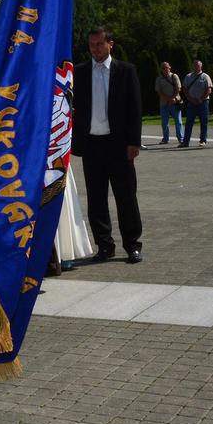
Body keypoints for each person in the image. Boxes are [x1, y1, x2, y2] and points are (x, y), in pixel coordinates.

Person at [72, 27, 144, 264]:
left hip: (119, 145)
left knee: (126, 197)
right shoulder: (80, 72)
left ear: (110, 44)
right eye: (92, 45)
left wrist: (134, 141)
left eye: (100, 44)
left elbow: (135, 108)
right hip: (92, 144)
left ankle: (132, 245)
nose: (95, 49)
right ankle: (104, 245)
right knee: (96, 199)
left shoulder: (125, 71)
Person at [180, 60, 213, 147]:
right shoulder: (188, 76)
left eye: (198, 65)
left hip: (203, 102)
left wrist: (201, 99)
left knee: (203, 122)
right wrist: (190, 99)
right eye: (194, 65)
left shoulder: (205, 76)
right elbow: (185, 89)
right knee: (189, 122)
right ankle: (185, 142)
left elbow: (209, 89)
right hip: (191, 103)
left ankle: (203, 141)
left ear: (201, 66)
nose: (196, 67)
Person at [155, 61, 183, 145]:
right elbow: (158, 91)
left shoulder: (174, 76)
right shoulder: (159, 79)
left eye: (166, 67)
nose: (165, 69)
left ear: (170, 67)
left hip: (175, 102)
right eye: (163, 68)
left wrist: (172, 98)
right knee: (164, 122)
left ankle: (181, 138)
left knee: (178, 121)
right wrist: (167, 99)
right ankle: (165, 139)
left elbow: (178, 88)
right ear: (161, 69)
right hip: (164, 103)